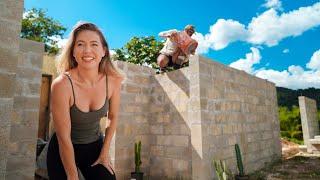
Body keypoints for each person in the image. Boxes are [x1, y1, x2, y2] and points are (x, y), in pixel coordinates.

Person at [47, 22, 124, 180]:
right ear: (73, 52)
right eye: (80, 44)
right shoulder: (62, 85)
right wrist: (72, 175)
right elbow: (63, 137)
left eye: (94, 44)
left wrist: (104, 152)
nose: (87, 50)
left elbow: (113, 116)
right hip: (63, 148)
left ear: (104, 51)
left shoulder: (113, 80)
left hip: (94, 146)